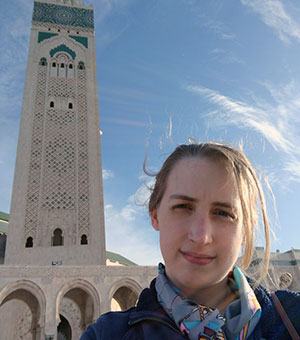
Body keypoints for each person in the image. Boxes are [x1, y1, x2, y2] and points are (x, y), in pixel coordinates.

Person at [81, 142, 300, 340]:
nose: (201, 236)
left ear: (246, 229)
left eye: (223, 213)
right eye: (183, 207)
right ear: (155, 215)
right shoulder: (106, 334)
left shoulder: (293, 318)